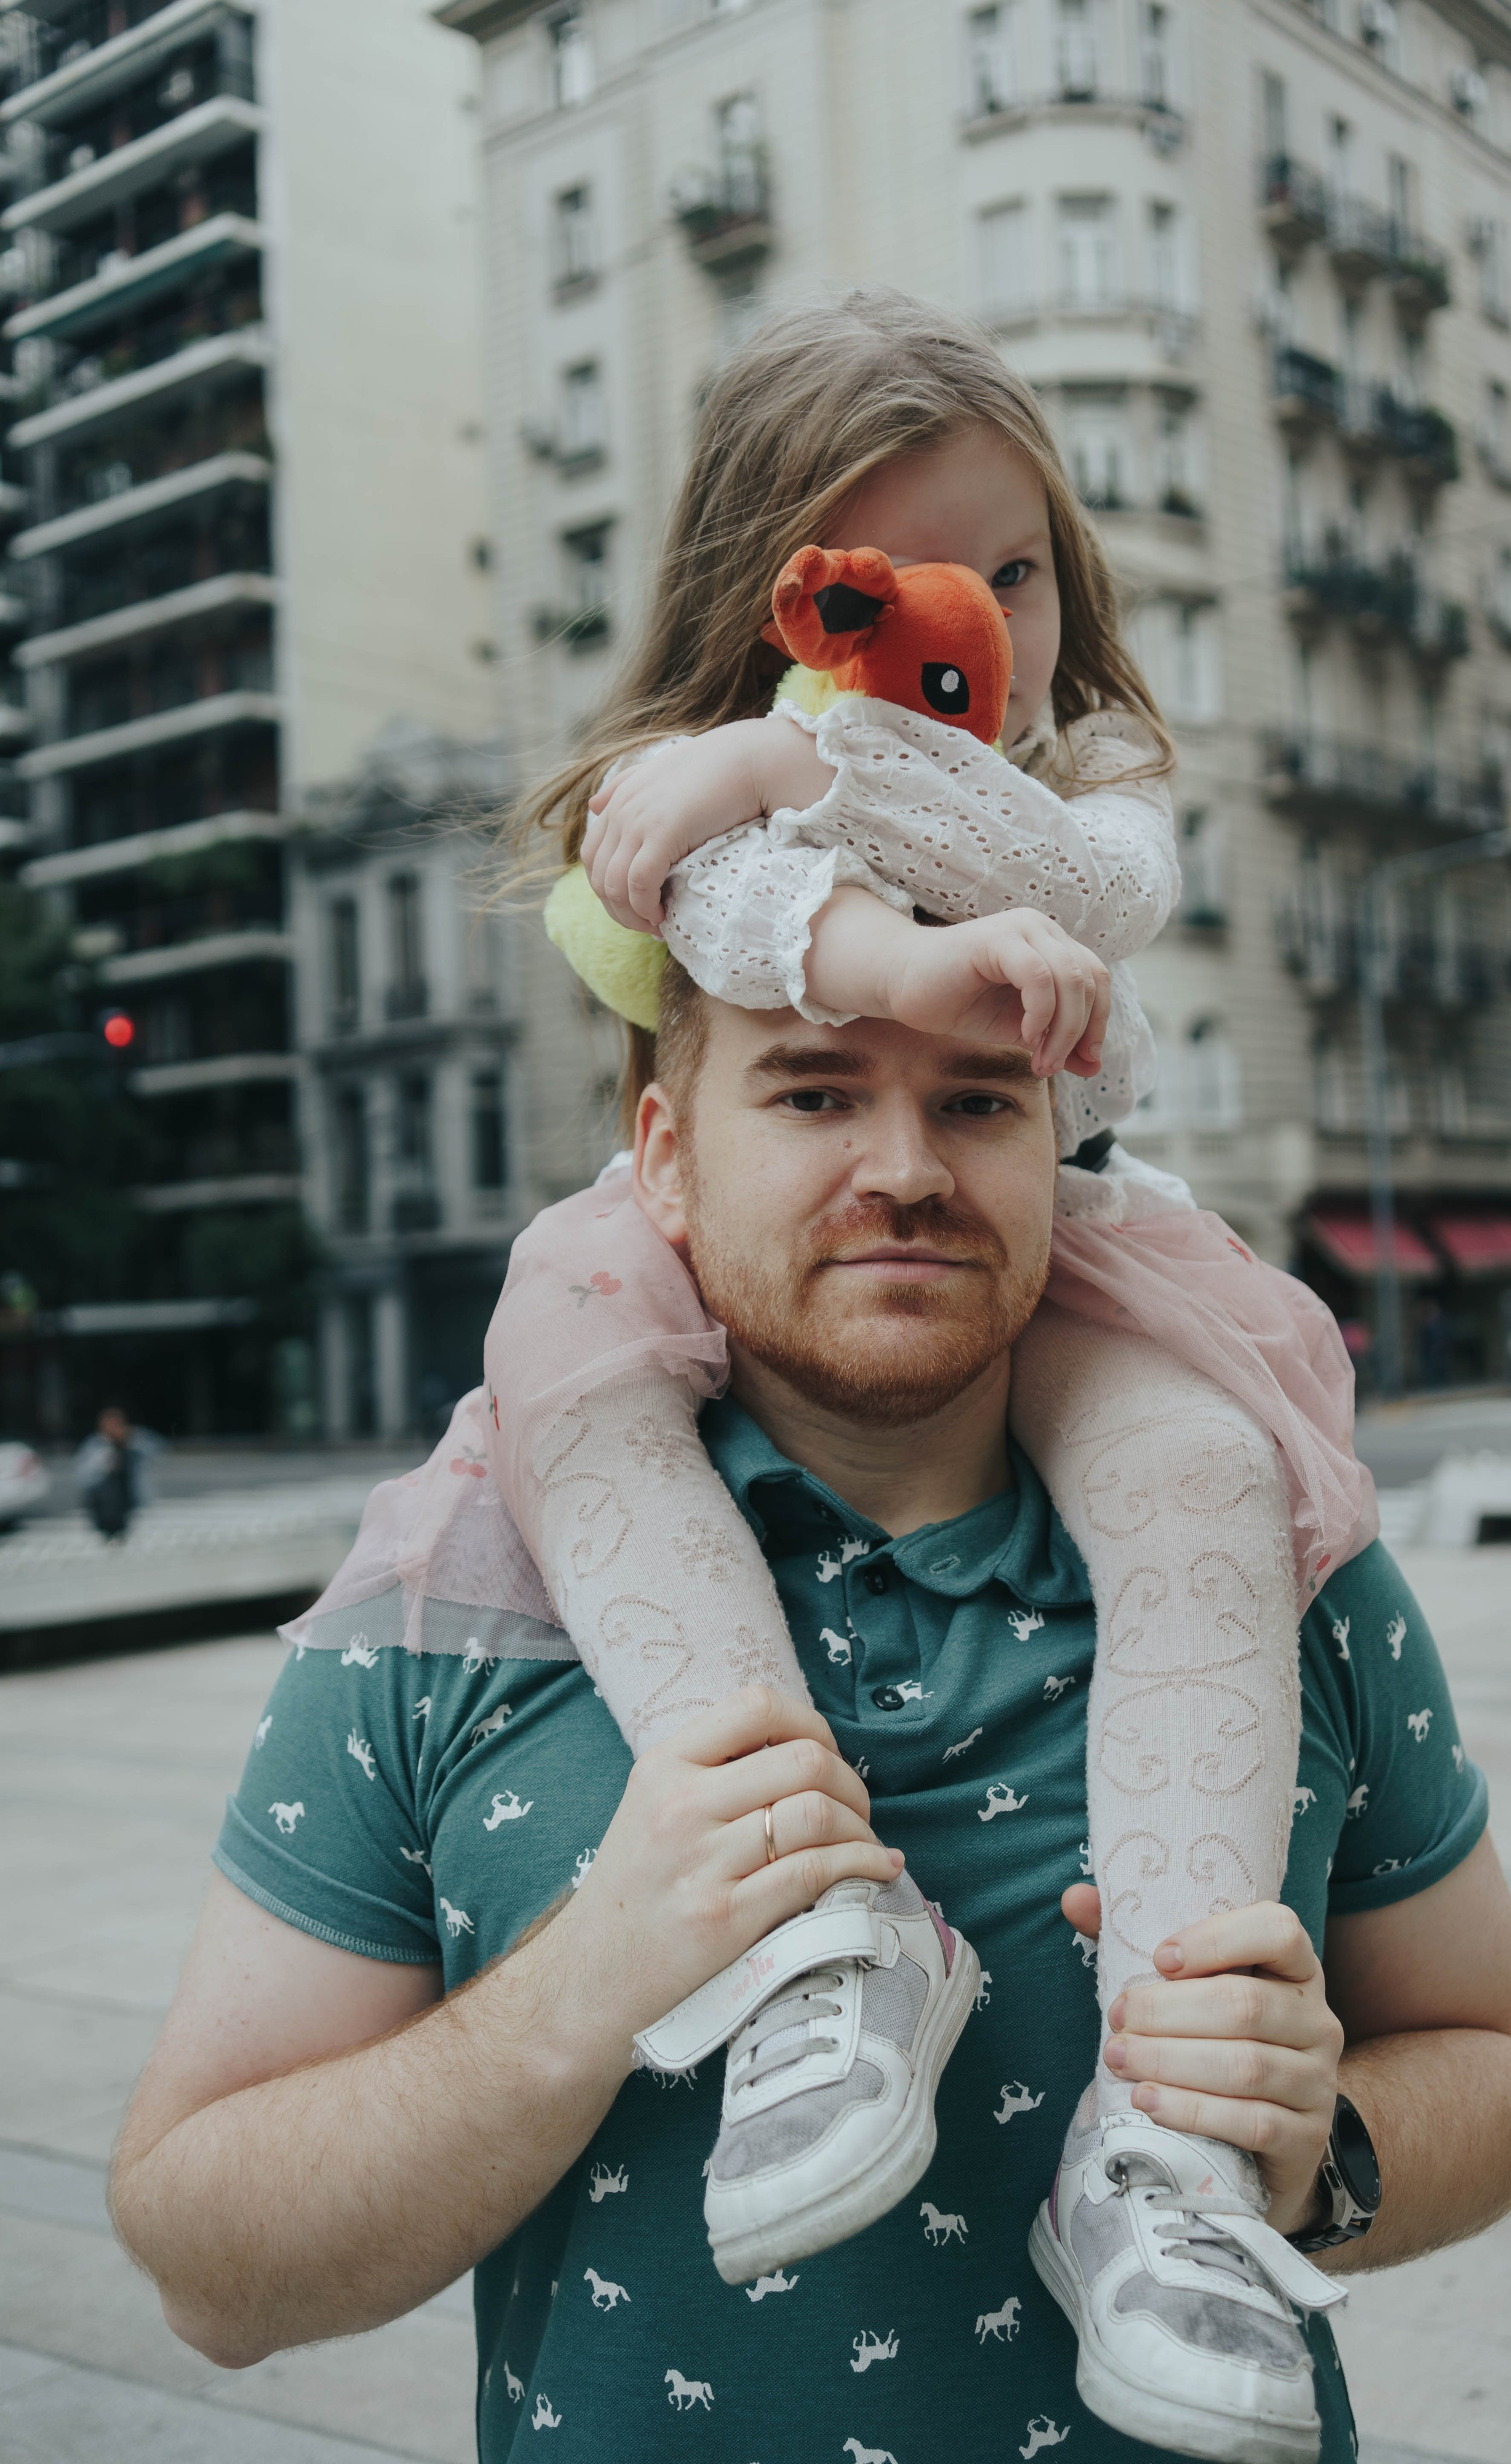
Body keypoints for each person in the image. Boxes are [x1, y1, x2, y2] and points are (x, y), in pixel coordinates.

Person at [110, 977, 1511, 2464]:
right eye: (812, 1093)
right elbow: (208, 2272)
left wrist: (1316, 2151)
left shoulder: (1283, 1580)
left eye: (977, 1101)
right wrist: (580, 1993)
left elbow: (1504, 2059)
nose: (906, 1170)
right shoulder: (453, 1603)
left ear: (1055, 1146)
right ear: (666, 1158)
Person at [342, 293, 1371, 2356]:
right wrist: (812, 833)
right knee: (563, 1354)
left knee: (1194, 1463)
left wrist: (812, 763)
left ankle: (1165, 2138)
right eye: (902, 575)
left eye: (1011, 568)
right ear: (783, 591)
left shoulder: (1083, 769)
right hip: (681, 1256)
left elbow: (1103, 892)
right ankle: (821, 1921)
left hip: (1051, 1242)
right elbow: (697, 913)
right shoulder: (678, 788)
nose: (974, 613)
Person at [73, 1404, 161, 1543]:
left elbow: (157, 1450)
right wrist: (106, 1464)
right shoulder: (95, 1446)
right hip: (104, 1507)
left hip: (131, 1505)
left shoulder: (135, 1442)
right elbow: (84, 1477)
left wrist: (131, 1438)